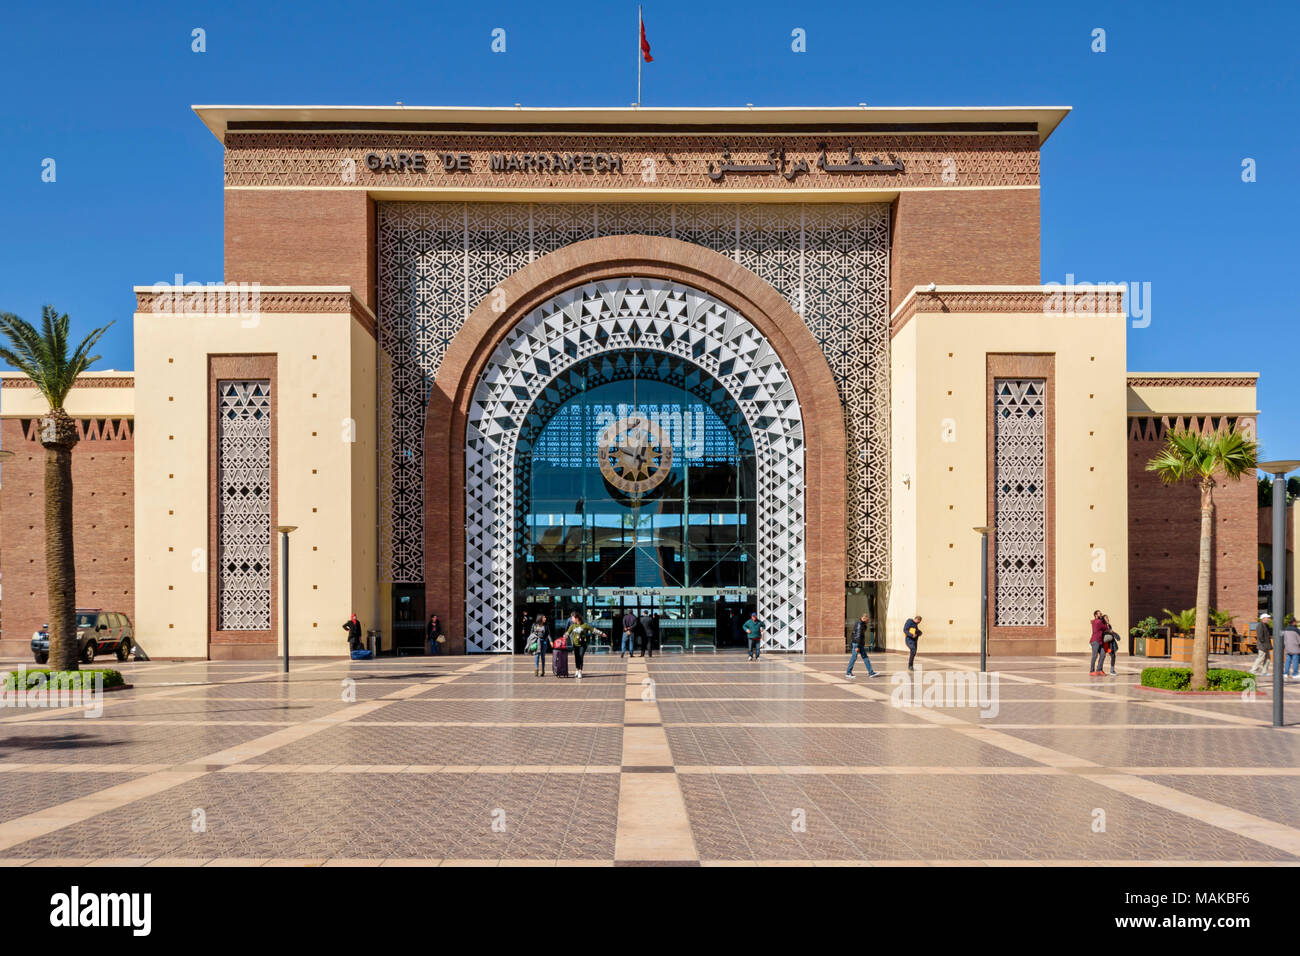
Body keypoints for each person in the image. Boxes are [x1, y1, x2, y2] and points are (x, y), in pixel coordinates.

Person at [562, 610, 605, 680]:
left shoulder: (584, 625)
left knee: (580, 656)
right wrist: (564, 636)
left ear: (576, 618)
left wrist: (601, 633)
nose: (571, 619)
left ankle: (580, 671)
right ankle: (577, 669)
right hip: (575, 644)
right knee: (576, 657)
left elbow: (593, 630)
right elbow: (567, 633)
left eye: (572, 618)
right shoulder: (572, 626)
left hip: (582, 644)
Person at [846, 613, 881, 679]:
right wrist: (857, 646)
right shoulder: (860, 624)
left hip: (859, 643)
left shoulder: (862, 624)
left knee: (865, 657)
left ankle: (871, 672)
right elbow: (858, 636)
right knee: (854, 658)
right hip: (857, 643)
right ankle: (848, 673)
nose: (868, 621)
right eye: (867, 620)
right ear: (864, 618)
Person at [1088, 610, 1108, 676]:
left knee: (1103, 654)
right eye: (1100, 614)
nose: (1101, 614)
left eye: (1101, 613)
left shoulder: (1096, 621)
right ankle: (1091, 671)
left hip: (1099, 641)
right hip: (1095, 640)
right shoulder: (1098, 622)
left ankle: (1099, 670)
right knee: (1095, 655)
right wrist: (1106, 622)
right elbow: (1105, 628)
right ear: (1096, 615)